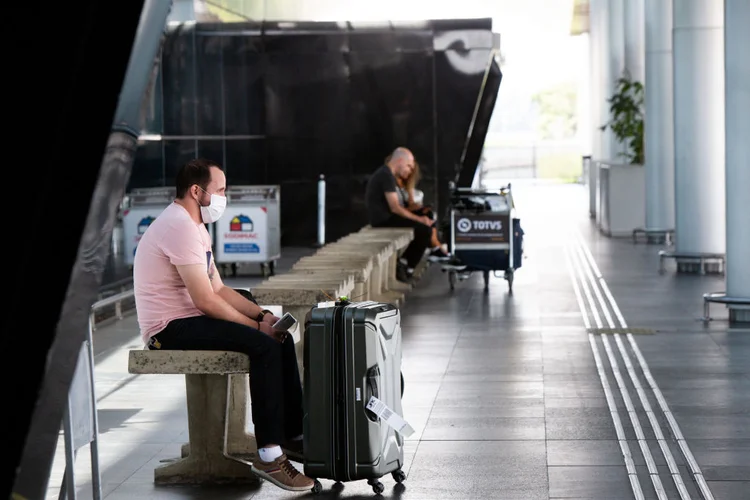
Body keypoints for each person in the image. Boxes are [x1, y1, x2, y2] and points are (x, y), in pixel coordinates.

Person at [132, 158, 315, 493]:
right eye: (220, 191)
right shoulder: (179, 226)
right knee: (263, 347)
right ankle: (270, 455)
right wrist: (255, 329)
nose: (223, 198)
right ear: (196, 191)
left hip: (190, 316)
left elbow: (219, 289)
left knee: (279, 337)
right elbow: (205, 300)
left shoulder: (195, 226)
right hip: (168, 330)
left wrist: (262, 317)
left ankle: (292, 436)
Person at [365, 147, 434, 282]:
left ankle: (405, 264)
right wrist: (419, 219)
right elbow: (395, 207)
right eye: (408, 165)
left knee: (425, 222)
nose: (409, 170)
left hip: (387, 218)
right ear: (400, 160)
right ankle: (405, 265)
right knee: (424, 230)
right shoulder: (385, 175)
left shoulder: (386, 174)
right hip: (383, 220)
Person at [396, 160, 451, 262]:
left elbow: (410, 204)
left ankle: (435, 246)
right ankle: (435, 246)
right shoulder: (393, 186)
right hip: (398, 218)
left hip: (408, 214)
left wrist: (416, 204)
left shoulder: (408, 187)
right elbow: (398, 209)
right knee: (425, 226)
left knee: (428, 215)